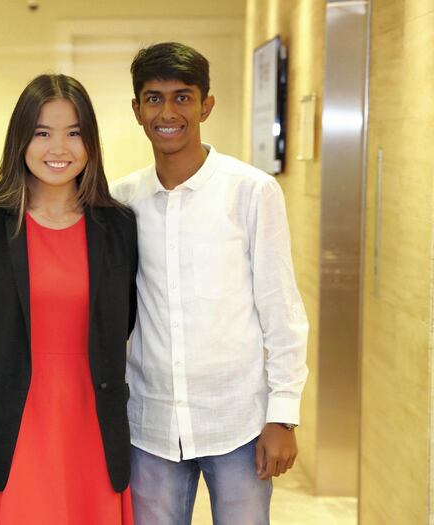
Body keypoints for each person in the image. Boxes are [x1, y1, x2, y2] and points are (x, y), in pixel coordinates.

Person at [111, 42, 309, 525]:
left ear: (206, 105)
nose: (168, 112)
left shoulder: (251, 191)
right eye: (154, 98)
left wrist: (282, 416)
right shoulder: (121, 200)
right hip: (151, 422)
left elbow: (280, 308)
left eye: (183, 97)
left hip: (236, 419)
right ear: (137, 109)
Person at [0, 74, 138, 525]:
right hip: (10, 428)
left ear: (90, 142)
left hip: (92, 427)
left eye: (74, 133)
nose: (59, 148)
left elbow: (126, 320)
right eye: (42, 133)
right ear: (20, 139)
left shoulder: (118, 226)